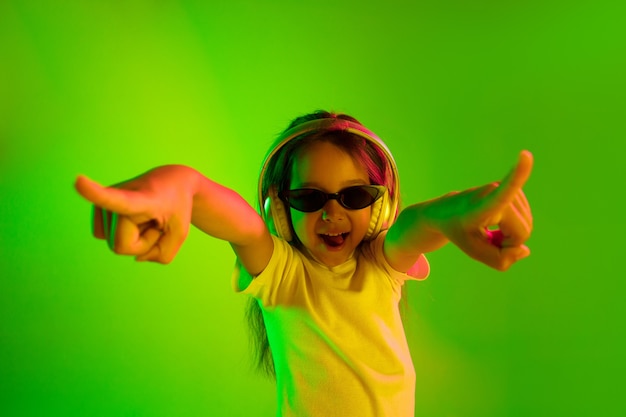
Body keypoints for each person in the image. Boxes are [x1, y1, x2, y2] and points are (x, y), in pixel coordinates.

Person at [75, 110, 533, 417]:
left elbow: (422, 221)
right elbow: (234, 219)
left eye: (354, 196)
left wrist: (462, 212)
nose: (332, 214)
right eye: (309, 198)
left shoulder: (382, 265)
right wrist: (181, 185)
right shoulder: (282, 275)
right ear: (280, 209)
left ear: (379, 209)